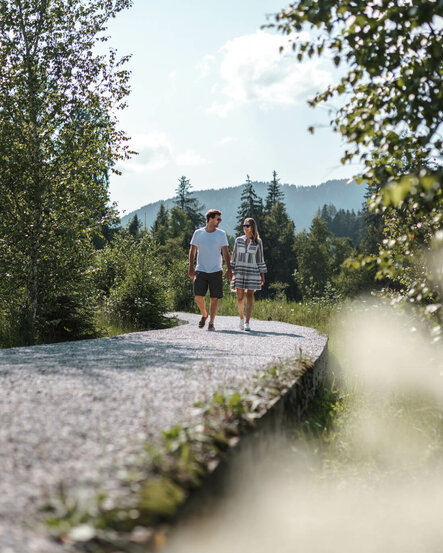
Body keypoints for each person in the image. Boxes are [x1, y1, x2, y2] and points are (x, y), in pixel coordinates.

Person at [188, 209, 232, 331]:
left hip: (216, 270)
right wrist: (190, 267)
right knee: (198, 296)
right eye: (218, 219)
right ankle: (204, 314)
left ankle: (211, 322)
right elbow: (192, 251)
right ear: (210, 219)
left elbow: (226, 252)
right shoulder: (198, 233)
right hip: (201, 269)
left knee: (214, 298)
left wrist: (229, 269)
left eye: (220, 219)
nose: (219, 221)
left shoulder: (221, 234)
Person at [230, 217, 267, 331]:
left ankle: (247, 322)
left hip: (252, 271)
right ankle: (241, 319)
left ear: (252, 227)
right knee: (240, 298)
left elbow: (260, 259)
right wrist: (231, 272)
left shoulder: (258, 241)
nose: (244, 228)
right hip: (240, 271)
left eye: (247, 226)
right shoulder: (238, 240)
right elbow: (234, 257)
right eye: (244, 226)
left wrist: (262, 275)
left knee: (250, 296)